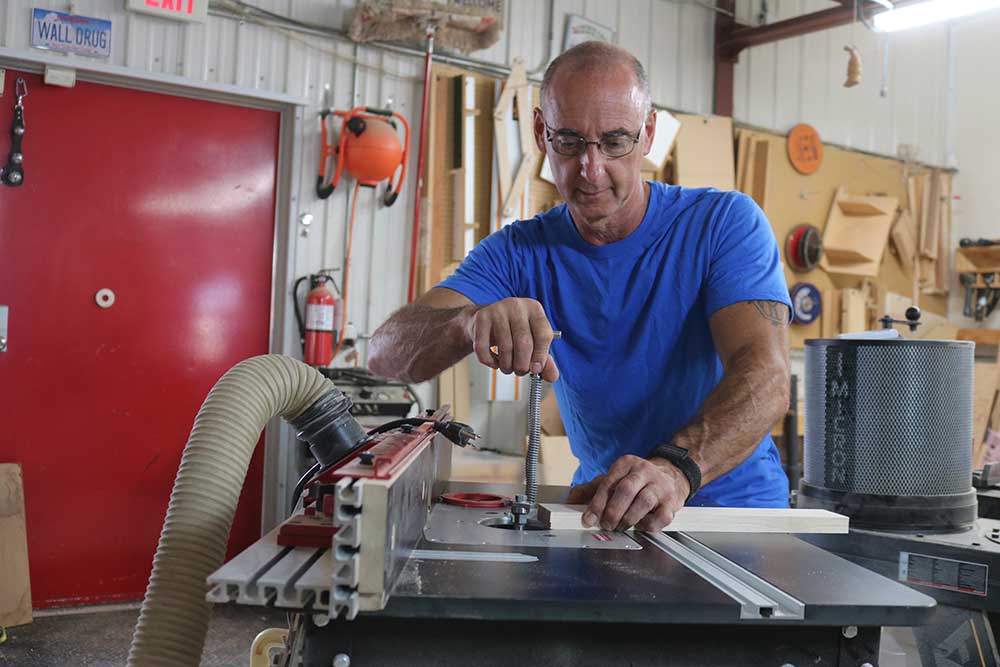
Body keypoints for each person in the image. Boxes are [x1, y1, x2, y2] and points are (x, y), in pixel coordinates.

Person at [368, 41, 792, 532]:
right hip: (607, 512)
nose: (591, 170)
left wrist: (675, 472)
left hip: (734, 518)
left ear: (648, 132)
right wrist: (467, 323)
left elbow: (768, 378)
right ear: (540, 133)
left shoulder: (723, 224)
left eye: (615, 142)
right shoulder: (518, 252)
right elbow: (385, 356)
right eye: (569, 142)